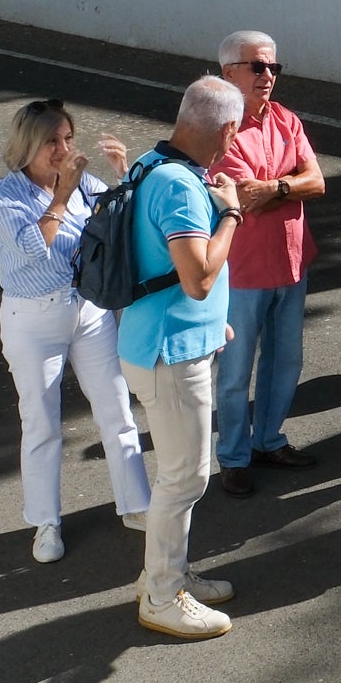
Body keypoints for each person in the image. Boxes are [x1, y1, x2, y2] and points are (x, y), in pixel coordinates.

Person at [0, 100, 151, 563]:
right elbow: (34, 249)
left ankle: (136, 504)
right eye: (52, 141)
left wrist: (124, 175)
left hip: (89, 312)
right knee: (41, 422)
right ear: (27, 147)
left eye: (68, 139)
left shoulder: (86, 185)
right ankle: (46, 522)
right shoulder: (3, 197)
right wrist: (62, 196)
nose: (63, 149)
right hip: (31, 320)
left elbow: (124, 224)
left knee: (118, 410)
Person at [115, 76, 249, 640]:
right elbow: (196, 278)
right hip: (170, 355)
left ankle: (168, 574)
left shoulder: (150, 163)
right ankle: (163, 595)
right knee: (184, 478)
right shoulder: (178, 186)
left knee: (179, 476)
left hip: (160, 343)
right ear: (227, 130)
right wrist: (231, 216)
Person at [207, 30, 325, 498]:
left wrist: (277, 187)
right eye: (257, 67)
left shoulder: (286, 119)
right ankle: (234, 456)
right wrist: (291, 182)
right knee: (236, 371)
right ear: (228, 72)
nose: (268, 76)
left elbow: (315, 182)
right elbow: (241, 196)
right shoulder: (221, 128)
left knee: (286, 360)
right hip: (245, 268)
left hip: (292, 261)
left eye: (273, 67)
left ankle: (269, 439)